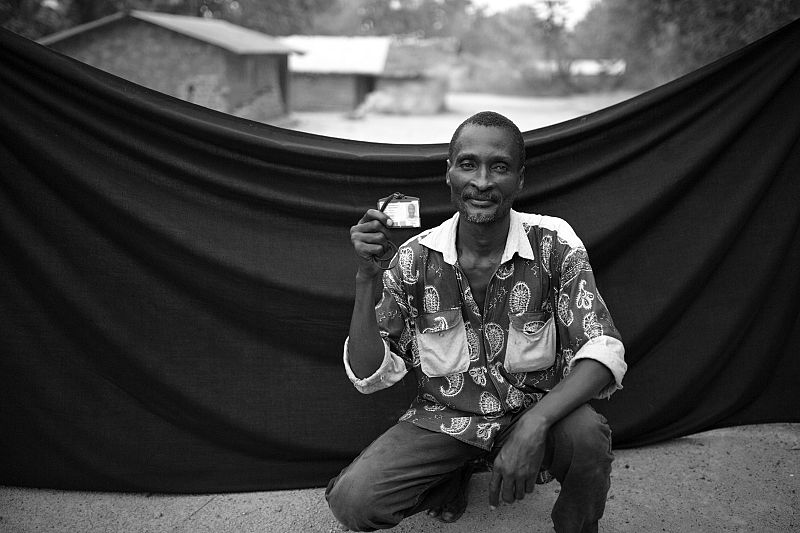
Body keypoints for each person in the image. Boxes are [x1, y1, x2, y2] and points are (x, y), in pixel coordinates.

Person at [327, 111, 627, 533]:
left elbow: (602, 350)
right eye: (468, 164)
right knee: (353, 502)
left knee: (588, 437)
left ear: (520, 179)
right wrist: (365, 279)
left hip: (535, 411)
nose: (483, 181)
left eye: (499, 167)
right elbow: (369, 373)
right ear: (448, 173)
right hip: (444, 420)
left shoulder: (554, 242)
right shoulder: (414, 258)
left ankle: (577, 525)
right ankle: (453, 475)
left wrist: (536, 425)